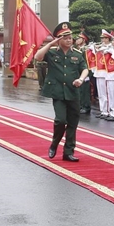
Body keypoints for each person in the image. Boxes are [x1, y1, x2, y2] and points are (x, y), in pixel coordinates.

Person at [35, 22, 89, 162]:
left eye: (70, 37)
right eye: (65, 38)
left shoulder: (77, 53)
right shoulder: (52, 52)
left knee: (72, 122)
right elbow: (38, 57)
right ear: (59, 40)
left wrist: (81, 79)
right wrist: (52, 43)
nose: (69, 40)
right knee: (60, 120)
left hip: (73, 91)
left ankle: (68, 151)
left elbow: (85, 68)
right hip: (58, 92)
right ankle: (54, 143)